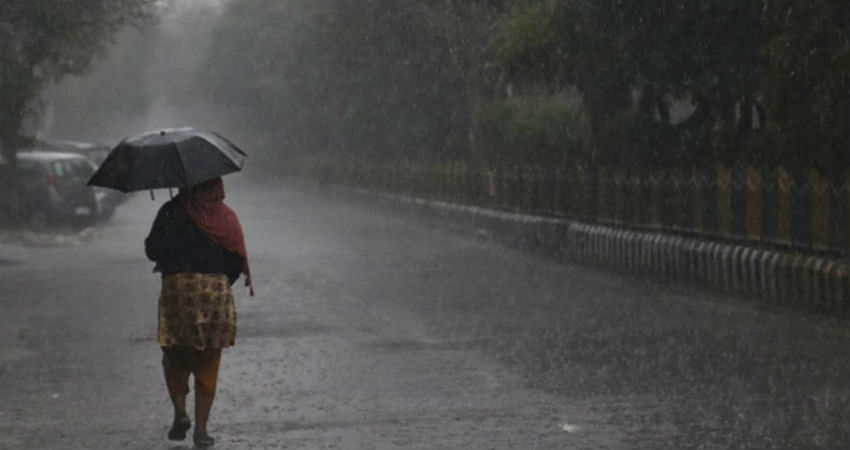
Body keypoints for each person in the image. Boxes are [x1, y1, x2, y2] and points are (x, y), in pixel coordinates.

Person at [145, 177, 253, 447]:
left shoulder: (171, 211)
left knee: (175, 354)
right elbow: (237, 259)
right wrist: (217, 280)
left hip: (178, 291)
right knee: (208, 361)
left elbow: (152, 249)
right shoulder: (225, 217)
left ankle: (180, 412)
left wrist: (173, 220)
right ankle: (201, 430)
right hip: (215, 293)